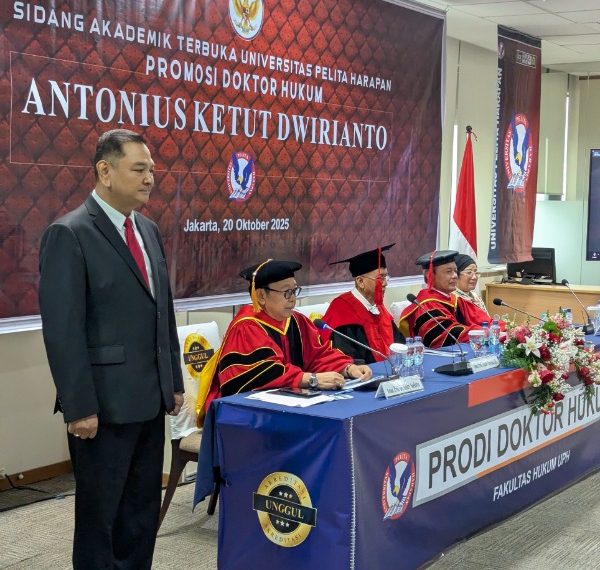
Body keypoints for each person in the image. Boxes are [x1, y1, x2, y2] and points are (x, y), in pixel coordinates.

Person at [39, 129, 184, 569]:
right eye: (138, 169)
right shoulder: (69, 233)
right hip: (102, 409)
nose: (149, 179)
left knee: (141, 515)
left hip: (149, 402)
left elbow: (162, 312)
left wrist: (173, 382)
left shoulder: (148, 230)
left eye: (151, 170)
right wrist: (79, 406)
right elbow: (63, 330)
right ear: (104, 171)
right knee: (100, 520)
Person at [200, 259, 372, 417]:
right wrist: (312, 380)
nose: (293, 299)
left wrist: (348, 368)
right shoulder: (246, 327)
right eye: (286, 292)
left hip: (291, 408)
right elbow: (263, 374)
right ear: (261, 296)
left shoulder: (297, 321)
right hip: (247, 415)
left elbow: (319, 355)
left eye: (295, 291)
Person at [321, 244, 405, 363]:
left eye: (386, 277)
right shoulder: (341, 309)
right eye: (380, 278)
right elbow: (346, 358)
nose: (385, 283)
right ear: (360, 281)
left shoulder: (378, 308)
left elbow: (399, 343)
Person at [399, 250, 482, 348]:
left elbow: (482, 319)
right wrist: (482, 332)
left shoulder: (455, 299)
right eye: (448, 271)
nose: (455, 276)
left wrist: (495, 328)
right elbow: (448, 336)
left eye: (455, 271)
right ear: (430, 274)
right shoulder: (426, 306)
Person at [454, 253, 493, 325]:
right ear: (456, 275)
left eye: (476, 272)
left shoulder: (475, 296)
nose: (474, 277)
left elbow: (488, 320)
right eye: (469, 273)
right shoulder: (454, 299)